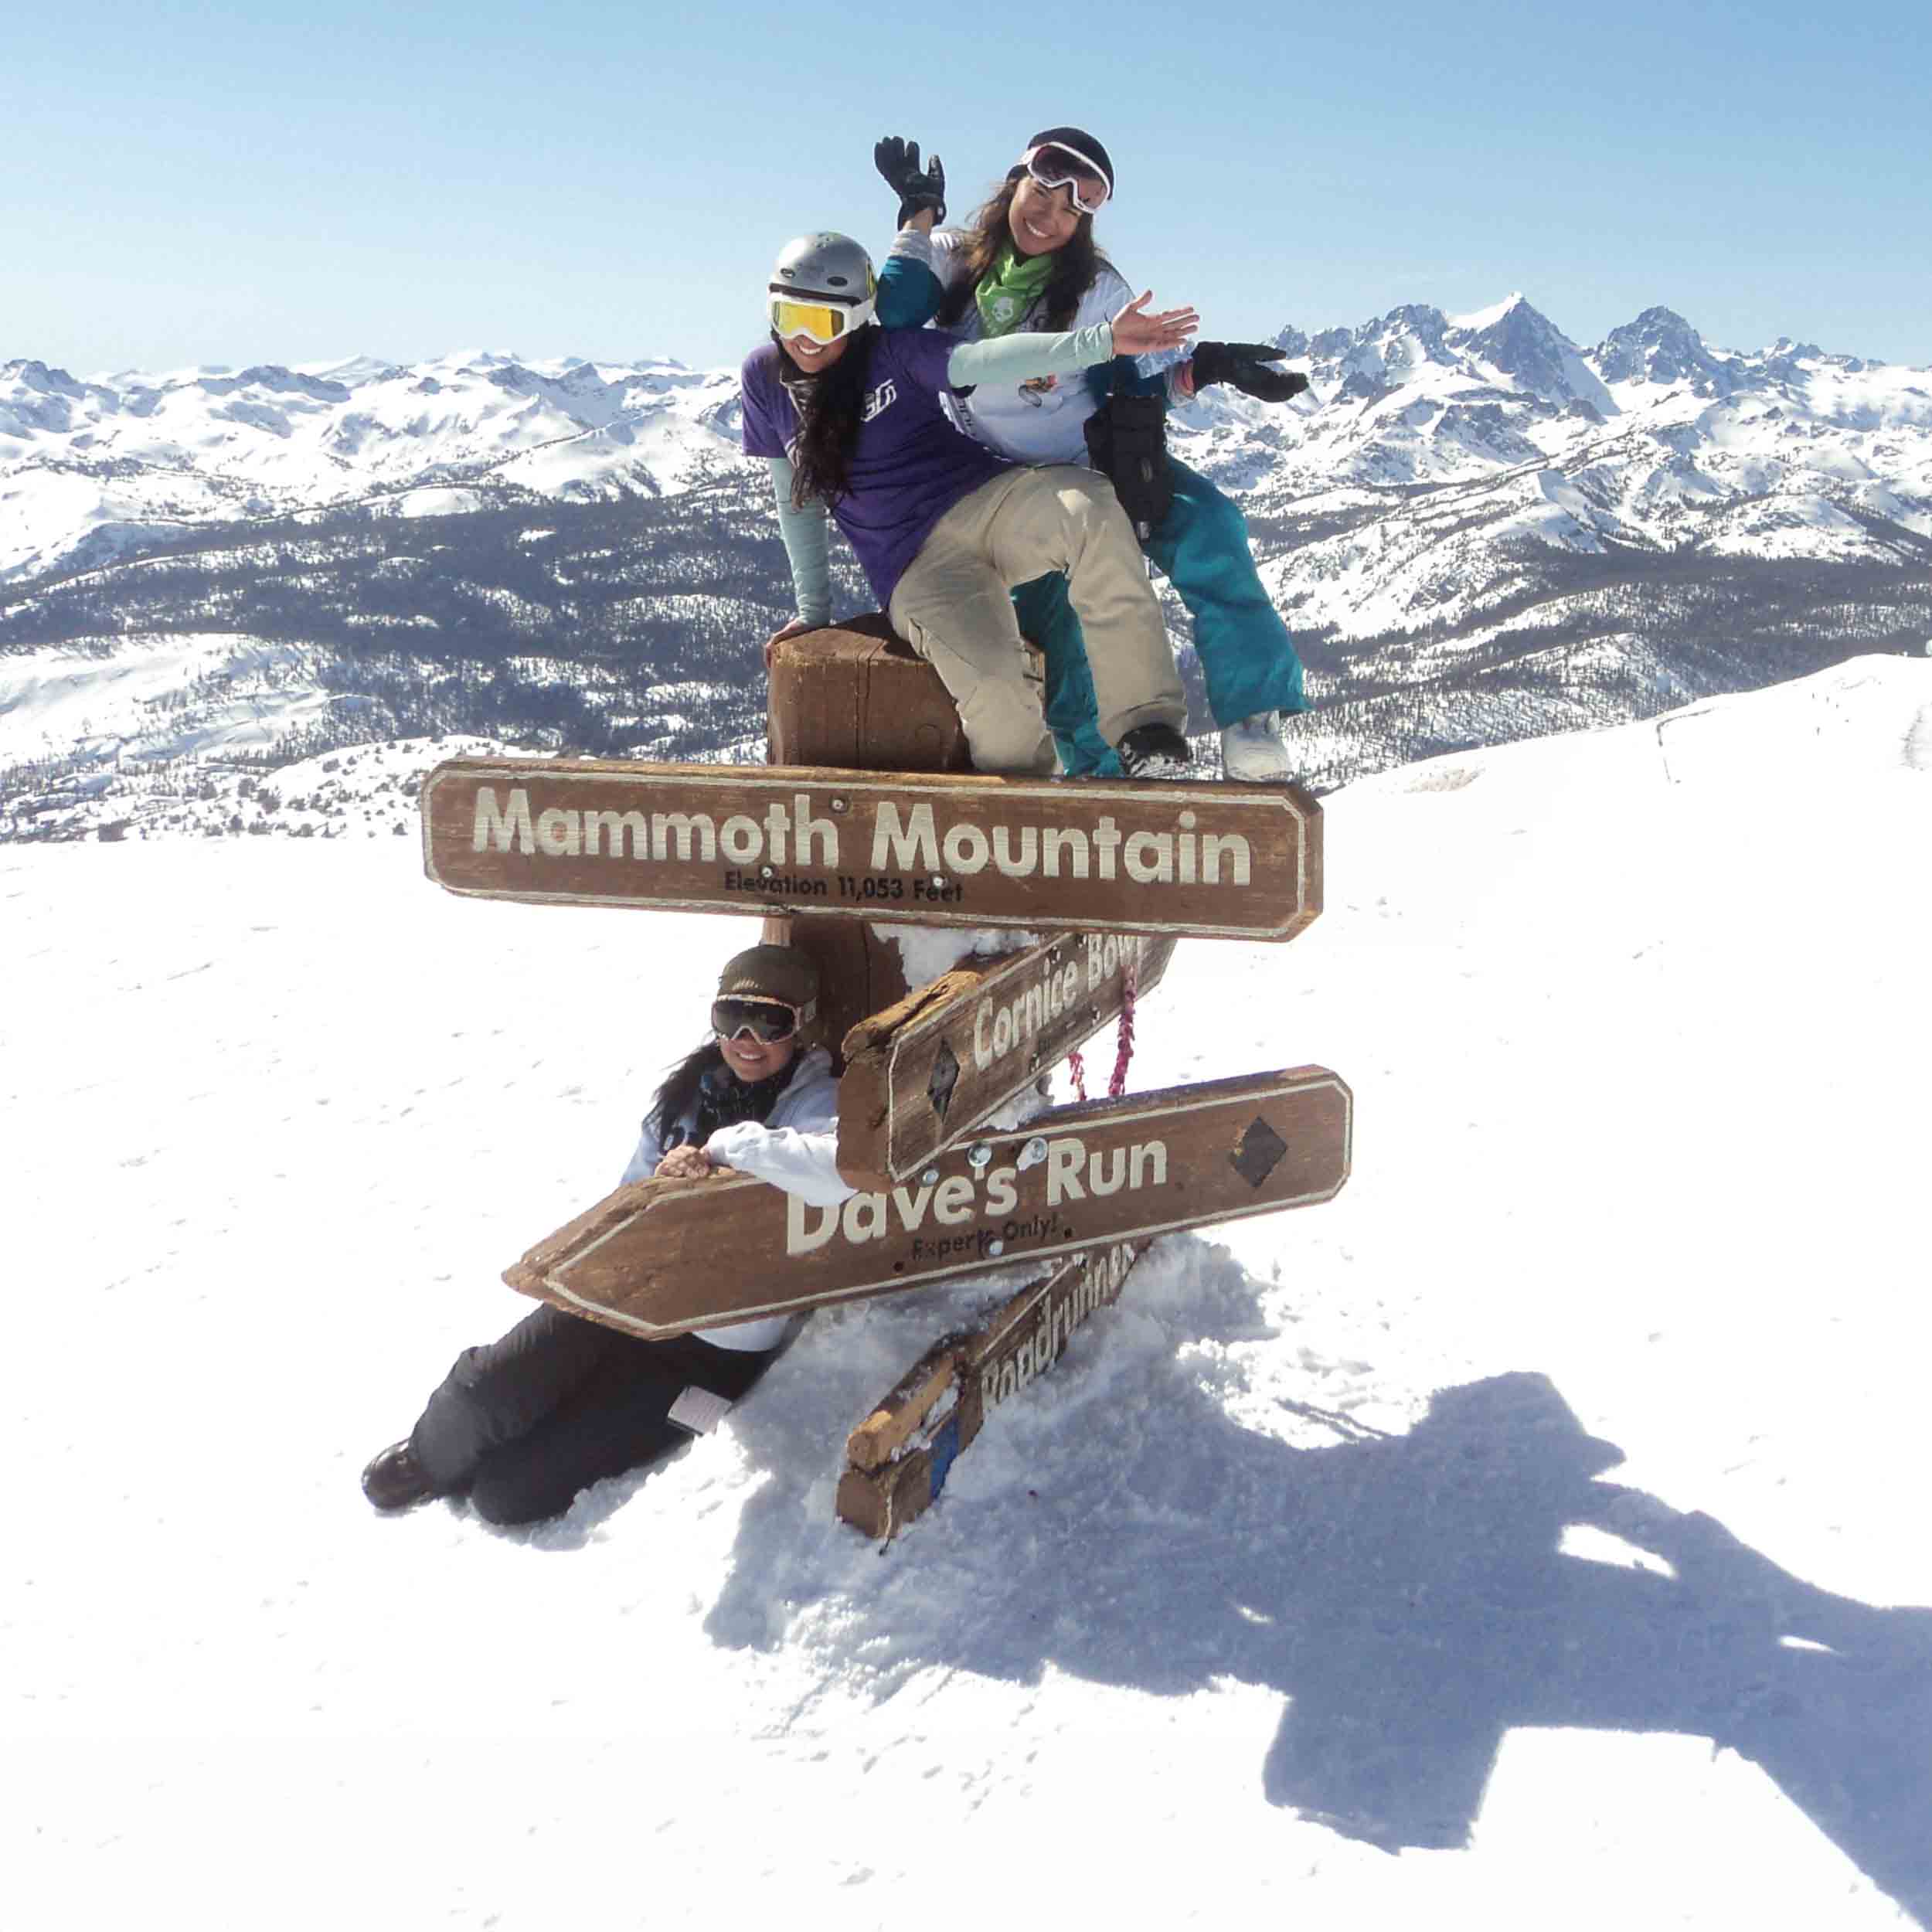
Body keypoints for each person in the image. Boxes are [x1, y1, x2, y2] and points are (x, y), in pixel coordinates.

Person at [872, 128, 1313, 781]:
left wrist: (1201, 372)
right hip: (998, 486)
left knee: (1212, 528)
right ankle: (1102, 781)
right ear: (1013, 181)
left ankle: (1253, 720)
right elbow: (898, 311)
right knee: (1064, 640)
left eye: (1073, 211)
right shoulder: (952, 259)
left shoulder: (1094, 291)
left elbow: (1129, 393)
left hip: (1095, 461)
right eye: (1043, 197)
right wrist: (918, 214)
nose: (1050, 221)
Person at [360, 945, 853, 1526]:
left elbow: (840, 1171)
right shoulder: (689, 1094)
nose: (747, 1038)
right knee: (484, 1395)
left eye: (769, 1021)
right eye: (730, 1018)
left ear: (803, 1023)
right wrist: (659, 1186)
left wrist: (725, 1149)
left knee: (509, 1495)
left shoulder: (818, 1100)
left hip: (710, 1355)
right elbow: (627, 1195)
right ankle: (429, 1458)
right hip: (631, 1295)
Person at [745, 229, 1203, 778]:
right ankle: (1014, 827)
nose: (804, 338)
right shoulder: (763, 379)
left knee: (1090, 508)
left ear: (860, 314)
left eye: (824, 322)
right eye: (789, 314)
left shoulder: (894, 351)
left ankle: (1145, 727)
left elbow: (987, 360)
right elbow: (795, 502)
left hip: (988, 503)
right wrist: (813, 614)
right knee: (997, 696)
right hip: (916, 566)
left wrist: (1100, 342)